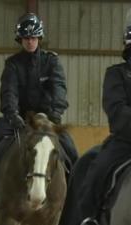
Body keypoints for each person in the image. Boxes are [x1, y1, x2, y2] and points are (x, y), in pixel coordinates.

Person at [0, 13, 78, 185]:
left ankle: (74, 195)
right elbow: (8, 92)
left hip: (47, 119)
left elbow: (59, 89)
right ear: (20, 39)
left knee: (71, 152)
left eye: (33, 37)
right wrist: (12, 114)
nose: (30, 41)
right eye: (26, 38)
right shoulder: (12, 64)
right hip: (17, 120)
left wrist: (55, 114)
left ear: (39, 38)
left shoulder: (51, 62)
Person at [78, 24, 131, 225]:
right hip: (125, 142)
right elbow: (117, 110)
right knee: (97, 172)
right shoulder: (116, 74)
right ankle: (89, 218)